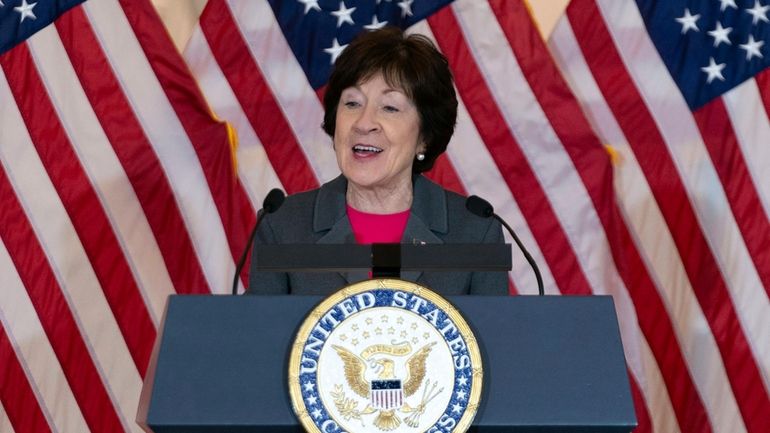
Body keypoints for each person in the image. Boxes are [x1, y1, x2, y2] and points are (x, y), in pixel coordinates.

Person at [247, 27, 507, 295]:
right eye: (352, 103)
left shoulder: (476, 232)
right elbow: (259, 334)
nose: (364, 123)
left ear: (425, 137)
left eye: (390, 107)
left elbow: (495, 335)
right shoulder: (283, 226)